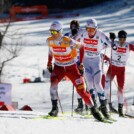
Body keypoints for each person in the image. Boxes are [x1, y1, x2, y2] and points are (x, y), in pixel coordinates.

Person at [46, 20, 104, 121]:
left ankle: (94, 110)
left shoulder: (67, 41)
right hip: (58, 67)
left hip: (71, 67)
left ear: (60, 31)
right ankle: (54, 109)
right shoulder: (49, 40)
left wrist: (81, 63)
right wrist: (49, 62)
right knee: (53, 86)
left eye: (55, 32)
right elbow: (51, 51)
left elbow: (82, 47)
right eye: (51, 31)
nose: (53, 34)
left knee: (81, 90)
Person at [79, 18, 111, 119]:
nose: (90, 32)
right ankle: (94, 107)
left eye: (92, 29)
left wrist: (104, 46)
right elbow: (74, 41)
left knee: (97, 83)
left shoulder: (100, 34)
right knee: (89, 84)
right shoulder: (83, 33)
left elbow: (110, 44)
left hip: (96, 61)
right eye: (88, 29)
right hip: (86, 61)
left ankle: (104, 107)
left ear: (96, 29)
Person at [104, 30, 134, 117]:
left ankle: (120, 111)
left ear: (125, 39)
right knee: (105, 87)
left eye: (123, 39)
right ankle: (105, 106)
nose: (121, 41)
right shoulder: (114, 43)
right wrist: (111, 39)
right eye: (120, 38)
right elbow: (102, 44)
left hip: (121, 70)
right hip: (112, 69)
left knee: (120, 90)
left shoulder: (128, 46)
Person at [65, 20, 85, 113]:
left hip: (83, 60)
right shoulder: (67, 35)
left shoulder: (82, 33)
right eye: (72, 27)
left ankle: (90, 103)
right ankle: (80, 104)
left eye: (75, 27)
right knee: (77, 83)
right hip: (73, 61)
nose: (74, 29)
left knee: (86, 82)